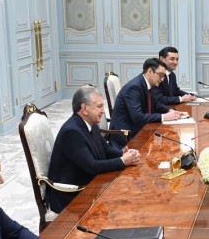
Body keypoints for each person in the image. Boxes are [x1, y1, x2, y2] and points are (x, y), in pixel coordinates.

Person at [47, 85, 140, 213]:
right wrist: (123, 161)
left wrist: (123, 153)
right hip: (73, 196)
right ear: (84, 108)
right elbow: (92, 166)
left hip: (90, 184)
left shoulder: (90, 122)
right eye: (99, 106)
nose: (103, 111)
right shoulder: (72, 132)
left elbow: (105, 148)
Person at [109, 58, 183, 147]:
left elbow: (155, 104)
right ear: (150, 71)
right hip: (126, 136)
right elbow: (138, 117)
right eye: (160, 75)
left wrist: (170, 111)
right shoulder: (134, 88)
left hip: (138, 129)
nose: (162, 79)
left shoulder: (145, 83)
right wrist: (164, 116)